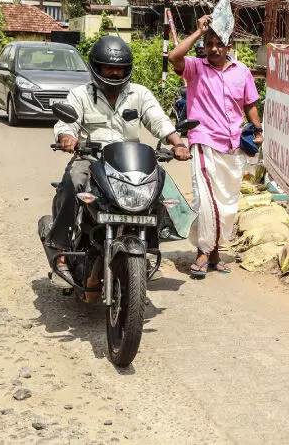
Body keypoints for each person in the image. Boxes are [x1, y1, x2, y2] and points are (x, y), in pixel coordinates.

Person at [47, 35, 191, 287]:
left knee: (159, 183)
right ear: (96, 67)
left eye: (120, 68)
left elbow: (158, 120)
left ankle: (148, 249)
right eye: (108, 67)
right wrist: (67, 137)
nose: (114, 73)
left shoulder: (139, 93)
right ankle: (60, 251)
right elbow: (66, 123)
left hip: (129, 162)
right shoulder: (81, 94)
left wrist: (177, 143)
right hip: (91, 159)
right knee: (73, 181)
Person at [169, 15, 262, 279]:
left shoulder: (241, 71)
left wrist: (257, 129)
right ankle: (202, 251)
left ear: (228, 46)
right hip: (204, 141)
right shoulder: (195, 68)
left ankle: (215, 251)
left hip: (233, 145)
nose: (214, 49)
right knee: (205, 200)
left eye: (219, 44)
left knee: (227, 204)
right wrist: (198, 32)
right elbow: (174, 57)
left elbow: (250, 104)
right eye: (210, 43)